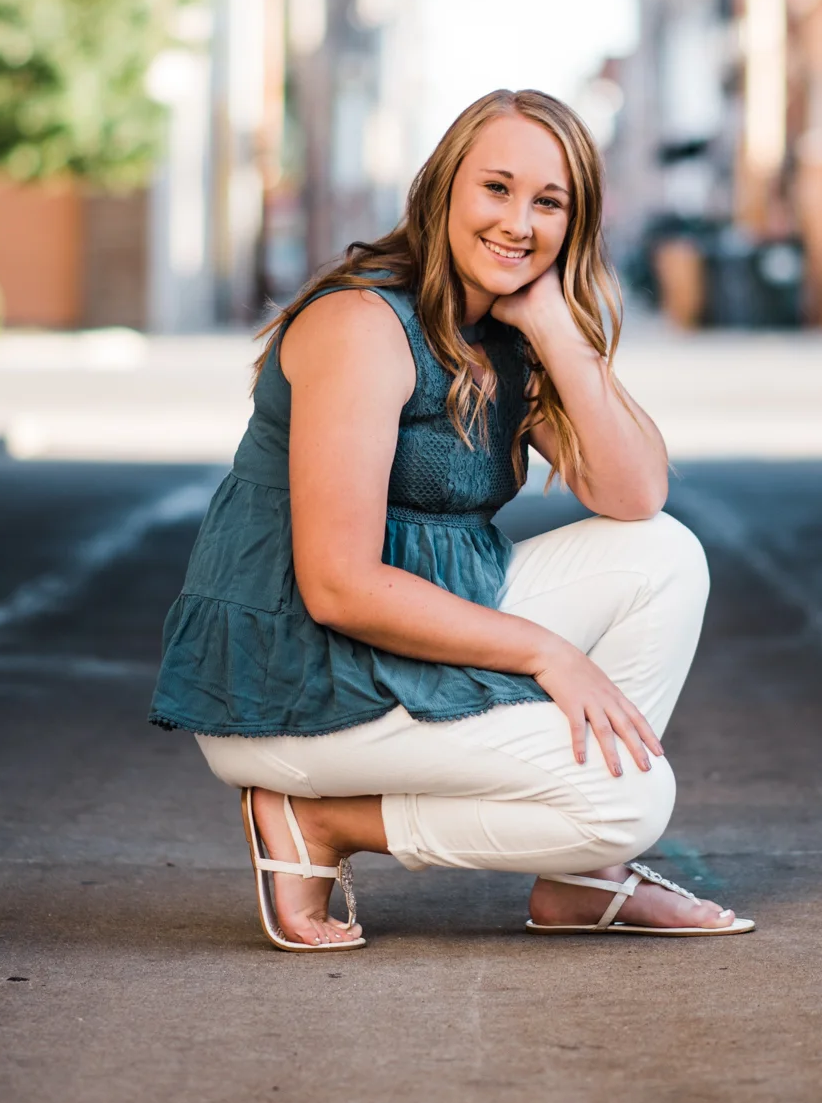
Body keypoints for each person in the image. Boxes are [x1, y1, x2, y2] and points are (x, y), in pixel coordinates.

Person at [149, 88, 751, 950]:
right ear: (442, 190)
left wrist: (554, 327)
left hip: (419, 634)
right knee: (631, 798)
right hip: (294, 685)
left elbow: (636, 492)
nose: (519, 221)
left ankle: (584, 875)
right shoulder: (362, 325)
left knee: (663, 553)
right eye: (497, 188)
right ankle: (322, 820)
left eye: (550, 202)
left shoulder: (505, 330)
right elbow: (338, 586)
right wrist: (549, 653)